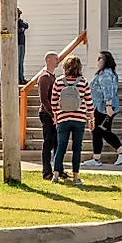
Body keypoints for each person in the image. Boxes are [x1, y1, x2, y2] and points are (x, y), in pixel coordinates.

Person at [50, 55, 93, 185]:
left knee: (61, 147)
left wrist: (56, 115)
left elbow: (54, 102)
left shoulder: (58, 82)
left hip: (63, 118)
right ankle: (75, 176)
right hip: (79, 118)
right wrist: (92, 118)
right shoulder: (83, 82)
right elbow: (89, 102)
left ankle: (56, 175)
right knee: (77, 148)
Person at [83, 51, 122, 168]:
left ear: (105, 61)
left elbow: (108, 90)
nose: (97, 61)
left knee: (101, 131)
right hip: (99, 107)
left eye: (100, 58)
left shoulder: (106, 75)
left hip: (103, 108)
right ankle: (97, 158)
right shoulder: (104, 73)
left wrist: (108, 106)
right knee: (98, 132)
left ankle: (121, 152)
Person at [37, 51, 60, 181]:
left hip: (54, 114)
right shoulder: (44, 77)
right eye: (55, 59)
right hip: (47, 114)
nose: (58, 61)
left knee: (58, 142)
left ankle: (58, 169)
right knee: (48, 143)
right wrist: (52, 114)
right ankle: (46, 171)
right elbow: (44, 99)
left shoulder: (53, 76)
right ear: (49, 60)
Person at [17, 9, 28, 84]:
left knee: (21, 61)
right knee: (17, 62)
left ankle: (21, 77)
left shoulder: (20, 21)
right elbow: (17, 30)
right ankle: (18, 77)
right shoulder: (12, 23)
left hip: (21, 43)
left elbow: (26, 25)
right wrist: (21, 29)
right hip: (16, 44)